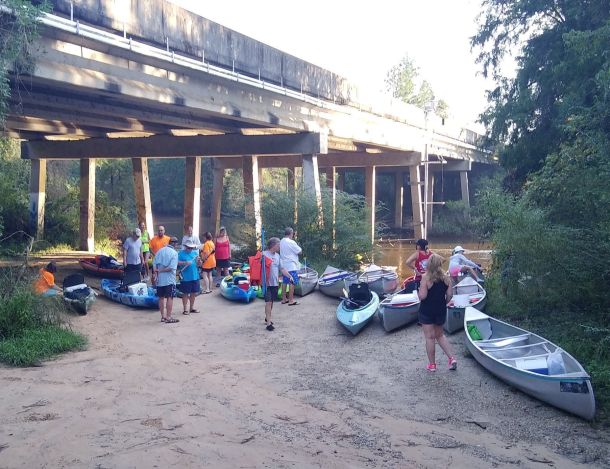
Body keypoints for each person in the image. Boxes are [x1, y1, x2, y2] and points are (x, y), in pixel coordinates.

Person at [417, 253, 456, 372]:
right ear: (440, 264)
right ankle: (452, 358)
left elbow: (423, 296)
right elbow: (449, 295)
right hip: (440, 310)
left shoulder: (425, 277)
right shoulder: (446, 278)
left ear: (429, 264)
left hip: (427, 311)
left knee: (430, 337)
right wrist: (445, 303)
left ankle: (432, 365)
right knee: (440, 335)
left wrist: (419, 291)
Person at [262, 237, 291, 331]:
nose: (279, 247)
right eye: (278, 245)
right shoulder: (263, 254)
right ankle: (268, 324)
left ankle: (267, 317)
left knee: (271, 302)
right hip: (266, 283)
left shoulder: (278, 256)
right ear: (273, 245)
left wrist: (289, 276)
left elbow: (282, 269)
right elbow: (258, 267)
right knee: (268, 302)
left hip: (275, 283)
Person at [152, 237, 180, 324]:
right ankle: (168, 317)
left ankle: (163, 317)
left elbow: (154, 263)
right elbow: (171, 268)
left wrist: (156, 272)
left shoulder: (159, 251)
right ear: (175, 244)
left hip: (160, 280)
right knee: (169, 297)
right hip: (169, 279)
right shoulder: (174, 253)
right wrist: (160, 271)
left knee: (161, 298)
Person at [279, 227, 302, 306]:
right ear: (291, 233)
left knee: (285, 282)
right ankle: (291, 300)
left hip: (284, 265)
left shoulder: (281, 241)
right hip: (291, 265)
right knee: (292, 281)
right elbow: (299, 251)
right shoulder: (291, 242)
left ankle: (284, 299)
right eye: (293, 234)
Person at [177, 241, 201, 315]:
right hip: (185, 277)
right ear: (186, 247)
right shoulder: (180, 253)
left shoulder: (195, 253)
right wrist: (185, 263)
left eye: (191, 248)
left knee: (193, 293)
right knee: (185, 293)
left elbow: (198, 264)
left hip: (195, 276)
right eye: (189, 248)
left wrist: (199, 262)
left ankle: (191, 308)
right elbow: (176, 262)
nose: (190, 249)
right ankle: (185, 309)